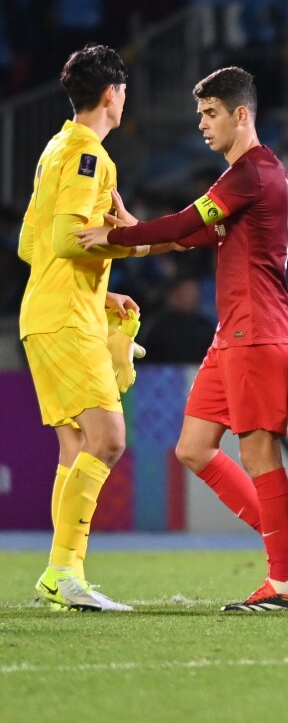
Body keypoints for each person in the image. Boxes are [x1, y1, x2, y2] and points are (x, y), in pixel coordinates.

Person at [78, 67, 288, 612]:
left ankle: (283, 585)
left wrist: (116, 235)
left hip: (259, 331)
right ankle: (287, 543)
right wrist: (132, 230)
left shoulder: (253, 173)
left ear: (241, 114)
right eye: (200, 114)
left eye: (210, 114)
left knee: (258, 453)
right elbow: (190, 237)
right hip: (234, 332)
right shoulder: (246, 179)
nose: (202, 124)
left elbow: (185, 222)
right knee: (193, 448)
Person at [20, 44, 155, 612]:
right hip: (64, 319)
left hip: (50, 312)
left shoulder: (55, 148)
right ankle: (62, 571)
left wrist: (100, 294)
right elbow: (62, 240)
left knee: (76, 444)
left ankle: (63, 573)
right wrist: (128, 239)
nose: (125, 98)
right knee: (110, 439)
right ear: (110, 94)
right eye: (123, 90)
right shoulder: (88, 157)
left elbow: (30, 245)